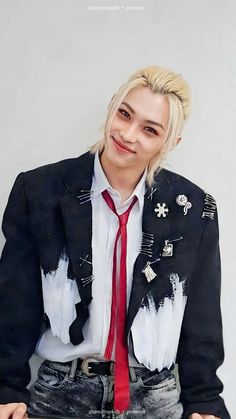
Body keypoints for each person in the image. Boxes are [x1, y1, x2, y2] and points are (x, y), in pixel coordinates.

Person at [0, 65, 231, 419]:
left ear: (170, 144)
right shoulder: (39, 191)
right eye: (124, 114)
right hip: (61, 393)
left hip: (155, 396)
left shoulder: (193, 208)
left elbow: (200, 313)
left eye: (150, 130)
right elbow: (16, 300)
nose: (128, 133)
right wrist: (6, 387)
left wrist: (205, 400)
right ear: (112, 106)